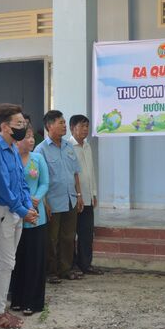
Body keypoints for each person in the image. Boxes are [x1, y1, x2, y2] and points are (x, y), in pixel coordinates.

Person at [0, 103, 38, 329]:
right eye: (18, 124)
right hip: (5, 212)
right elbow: (2, 189)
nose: (22, 128)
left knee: (9, 262)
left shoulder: (14, 148)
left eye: (23, 124)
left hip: (16, 211)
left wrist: (27, 206)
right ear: (4, 126)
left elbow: (21, 182)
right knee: (6, 263)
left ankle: (0, 309)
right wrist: (23, 210)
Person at [35, 110, 83, 283]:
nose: (64, 126)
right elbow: (39, 179)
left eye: (64, 123)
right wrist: (44, 202)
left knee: (68, 237)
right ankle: (51, 272)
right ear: (49, 126)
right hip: (52, 201)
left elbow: (75, 173)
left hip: (70, 198)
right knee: (51, 239)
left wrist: (79, 195)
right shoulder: (40, 150)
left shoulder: (68, 146)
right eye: (60, 123)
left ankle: (66, 269)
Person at [10, 125, 49, 315]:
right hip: (18, 214)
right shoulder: (12, 158)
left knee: (35, 259)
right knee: (18, 259)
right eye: (27, 137)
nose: (32, 140)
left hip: (36, 214)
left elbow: (45, 183)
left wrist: (37, 197)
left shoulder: (38, 158)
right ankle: (17, 298)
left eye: (33, 136)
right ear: (18, 140)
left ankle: (33, 302)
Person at [69, 115, 103, 276]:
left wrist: (94, 193)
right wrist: (77, 195)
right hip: (75, 197)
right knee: (72, 233)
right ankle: (73, 264)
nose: (85, 130)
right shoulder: (68, 146)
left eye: (87, 127)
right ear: (72, 128)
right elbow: (72, 174)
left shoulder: (87, 146)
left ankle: (86, 264)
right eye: (82, 126)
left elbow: (91, 172)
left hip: (88, 196)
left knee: (87, 233)